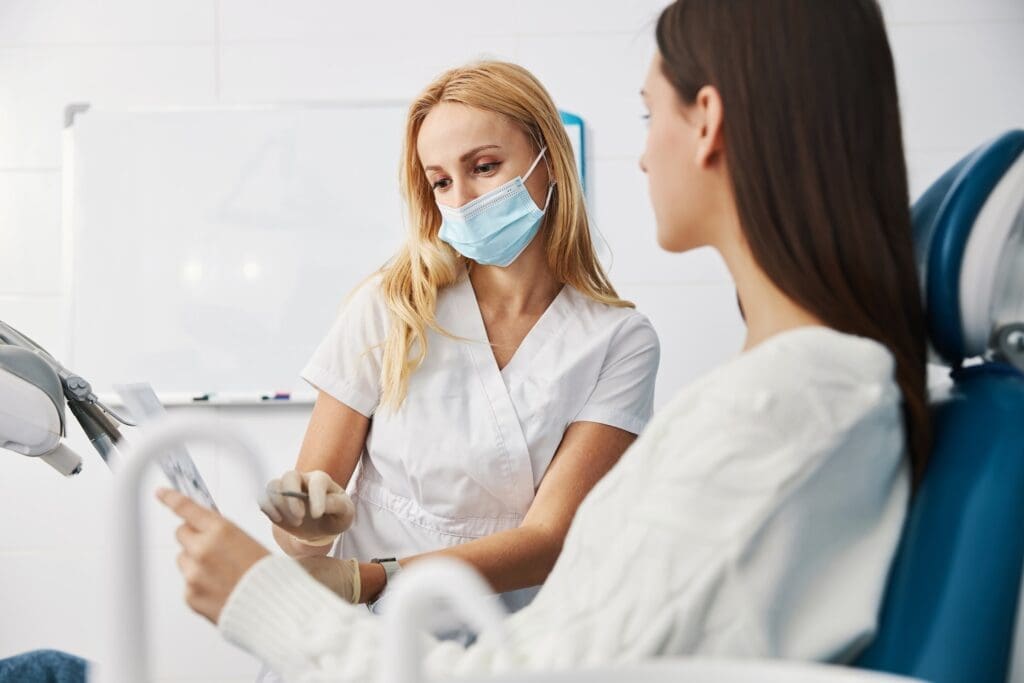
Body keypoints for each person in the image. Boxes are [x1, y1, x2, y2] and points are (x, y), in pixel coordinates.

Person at [159, 0, 931, 679]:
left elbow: (549, 604)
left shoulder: (776, 397)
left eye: (645, 115)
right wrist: (305, 552)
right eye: (439, 180)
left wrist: (276, 597)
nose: (640, 153)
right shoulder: (786, 391)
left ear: (708, 121)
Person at [255, 59, 660, 621]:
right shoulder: (391, 305)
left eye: (485, 167)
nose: (463, 200)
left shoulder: (619, 340)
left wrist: (373, 578)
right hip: (366, 640)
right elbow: (302, 534)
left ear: (550, 162)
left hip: (511, 636)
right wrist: (303, 531)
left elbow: (549, 539)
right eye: (441, 180)